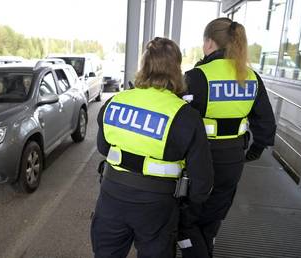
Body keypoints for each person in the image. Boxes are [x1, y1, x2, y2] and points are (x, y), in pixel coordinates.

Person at [91, 37, 214, 258]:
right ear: (177, 69)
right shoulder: (186, 115)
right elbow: (202, 182)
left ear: (144, 66)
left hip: (112, 196)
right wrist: (187, 214)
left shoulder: (114, 102)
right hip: (158, 206)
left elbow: (103, 147)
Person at [178, 18, 276, 258]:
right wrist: (256, 148)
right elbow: (266, 121)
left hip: (199, 159)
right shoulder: (250, 76)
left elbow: (177, 118)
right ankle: (207, 246)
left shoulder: (197, 76)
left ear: (210, 42)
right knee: (214, 215)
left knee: (185, 220)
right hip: (233, 158)